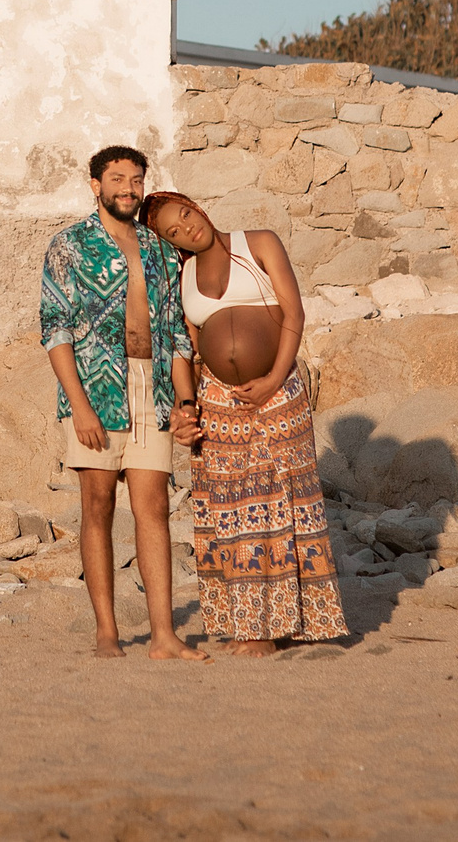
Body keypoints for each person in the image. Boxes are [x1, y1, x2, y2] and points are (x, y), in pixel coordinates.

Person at [139, 189, 346, 655]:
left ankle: (285, 624)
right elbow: (186, 349)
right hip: (218, 401)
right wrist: (186, 408)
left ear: (199, 207)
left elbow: (294, 312)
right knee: (234, 511)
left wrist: (274, 378)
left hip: (278, 393)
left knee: (284, 504)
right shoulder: (183, 276)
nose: (187, 228)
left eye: (186, 215)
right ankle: (252, 626)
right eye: (174, 231)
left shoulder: (258, 244)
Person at [38, 145, 208, 661]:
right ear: (95, 184)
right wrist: (80, 407)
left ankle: (163, 635)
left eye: (136, 180)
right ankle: (107, 632)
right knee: (97, 505)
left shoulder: (161, 250)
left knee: (153, 508)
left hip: (151, 387)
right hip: (95, 387)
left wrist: (184, 401)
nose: (128, 189)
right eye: (117, 179)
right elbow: (55, 329)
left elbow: (178, 335)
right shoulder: (69, 245)